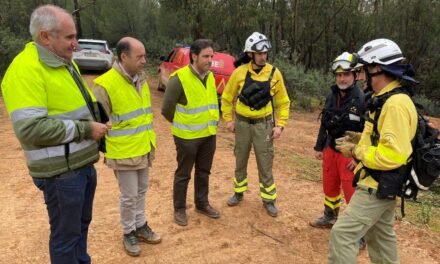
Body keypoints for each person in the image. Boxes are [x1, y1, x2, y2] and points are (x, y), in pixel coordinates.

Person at [1, 5, 109, 264]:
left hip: (80, 166)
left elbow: (75, 106)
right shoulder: (25, 70)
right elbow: (30, 129)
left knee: (80, 229)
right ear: (45, 37)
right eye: (69, 37)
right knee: (65, 238)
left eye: (75, 37)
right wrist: (86, 129)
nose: (76, 44)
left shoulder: (62, 62)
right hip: (61, 175)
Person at [329, 38, 419, 263]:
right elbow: (385, 139)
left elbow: (393, 155)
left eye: (363, 70)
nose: (359, 76)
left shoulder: (395, 104)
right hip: (381, 184)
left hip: (376, 185)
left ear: (377, 68)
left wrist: (356, 151)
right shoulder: (384, 99)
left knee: (342, 234)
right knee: (380, 239)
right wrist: (360, 138)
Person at [93, 37, 161, 256]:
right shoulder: (105, 84)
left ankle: (140, 225)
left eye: (144, 56)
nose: (144, 61)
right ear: (124, 56)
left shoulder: (141, 79)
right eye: (139, 56)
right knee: (129, 195)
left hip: (143, 146)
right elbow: (98, 123)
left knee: (141, 191)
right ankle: (128, 231)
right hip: (122, 151)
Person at [221, 32, 290, 217]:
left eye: (265, 53)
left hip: (263, 125)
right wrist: (228, 120)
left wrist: (280, 125)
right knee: (240, 159)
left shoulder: (275, 74)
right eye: (259, 53)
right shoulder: (239, 73)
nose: (263, 56)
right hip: (242, 125)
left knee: (265, 162)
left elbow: (283, 102)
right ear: (250, 54)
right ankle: (238, 192)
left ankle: (269, 200)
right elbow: (227, 98)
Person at [161, 39, 220, 226]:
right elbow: (166, 110)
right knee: (183, 174)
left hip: (208, 135)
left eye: (211, 56)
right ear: (194, 56)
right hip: (186, 137)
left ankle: (202, 204)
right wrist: (181, 124)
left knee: (204, 172)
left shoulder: (210, 76)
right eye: (206, 56)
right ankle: (179, 209)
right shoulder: (179, 79)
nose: (210, 60)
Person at [310, 52, 365, 228]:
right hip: (331, 148)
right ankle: (330, 216)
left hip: (350, 153)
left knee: (352, 192)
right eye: (339, 75)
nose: (342, 79)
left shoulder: (362, 99)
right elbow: (324, 122)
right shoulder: (332, 95)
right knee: (330, 185)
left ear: (355, 75)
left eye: (346, 74)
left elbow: (368, 132)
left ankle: (358, 232)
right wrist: (320, 146)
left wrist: (358, 158)